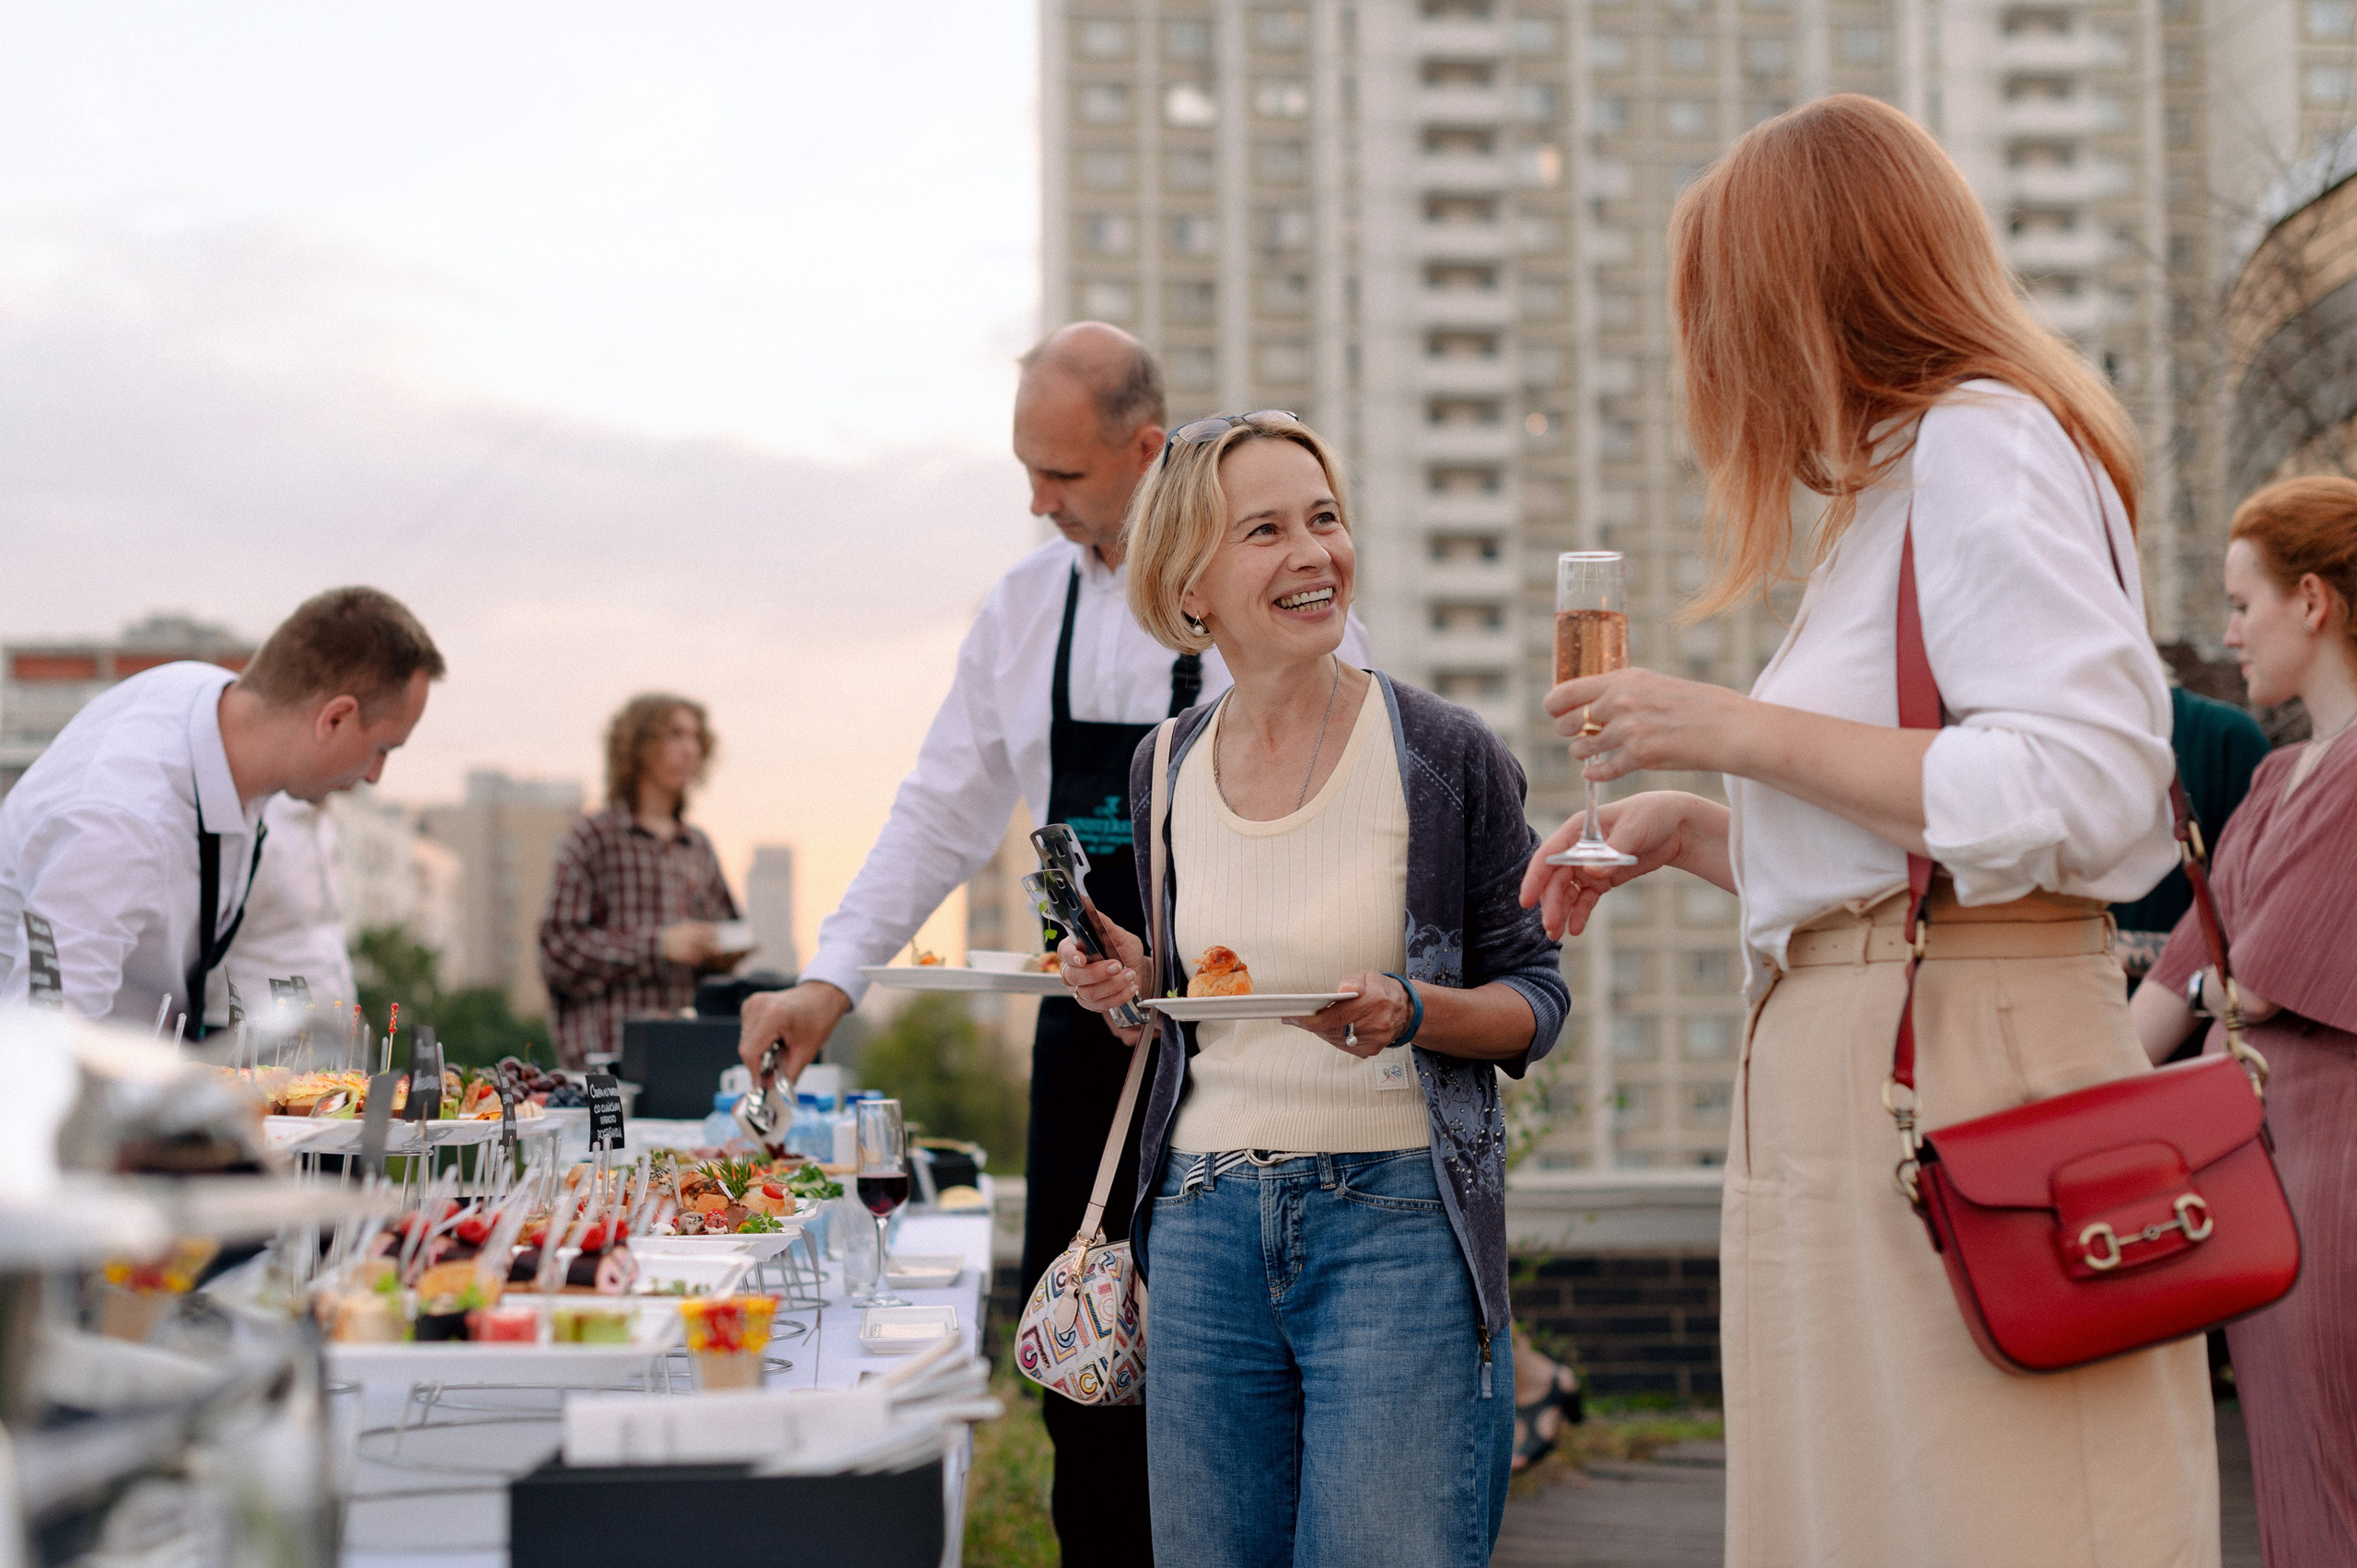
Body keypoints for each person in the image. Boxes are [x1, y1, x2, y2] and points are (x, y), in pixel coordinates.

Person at [1517, 97, 2218, 1565]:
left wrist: (1727, 725)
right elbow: (1912, 837)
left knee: (1994, 1510)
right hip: (1885, 1056)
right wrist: (1709, 830)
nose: (1709, 359)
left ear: (1799, 296)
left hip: (1957, 1058)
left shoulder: (1984, 442)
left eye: (1722, 311)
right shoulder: (1903, 486)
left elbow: (2092, 779)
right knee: (1886, 1514)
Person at [736, 324, 1368, 1564]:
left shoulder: (1279, 593)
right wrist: (830, 978)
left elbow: (1353, 806)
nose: (1035, 499)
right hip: (1086, 1045)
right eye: (1027, 470)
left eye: (1061, 475)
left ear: (1147, 451)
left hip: (1248, 1054)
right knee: (1086, 1378)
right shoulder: (1026, 607)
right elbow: (938, 809)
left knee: (1240, 1378)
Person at [1057, 410, 1567, 1567]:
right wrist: (1127, 977)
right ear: (1192, 586)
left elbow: (1536, 995)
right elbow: (1192, 997)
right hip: (1198, 1225)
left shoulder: (1444, 754)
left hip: (1395, 1223)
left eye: (1325, 519)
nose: (1312, 554)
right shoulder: (1164, 764)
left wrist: (1413, 1009)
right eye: (1266, 531)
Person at [2134, 474, 2357, 1564]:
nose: (2226, 632)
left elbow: (2243, 981)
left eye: (2242, 602)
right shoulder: (2273, 777)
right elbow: (2176, 983)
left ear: (2311, 601)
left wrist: (2205, 989)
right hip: (2264, 1176)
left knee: (2325, 1467)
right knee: (2295, 1465)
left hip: (2328, 1177)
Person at [0, 587, 441, 1033]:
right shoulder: (122, 822)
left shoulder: (219, 712)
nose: (374, 776)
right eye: (383, 748)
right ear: (335, 719)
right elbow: (43, 1040)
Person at [539, 693, 741, 1069]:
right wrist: (658, 945)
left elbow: (729, 935)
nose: (689, 749)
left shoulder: (698, 847)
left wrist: (723, 948)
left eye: (696, 737)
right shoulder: (591, 839)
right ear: (637, 746)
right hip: (609, 1060)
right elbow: (558, 953)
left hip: (688, 1056)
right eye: (675, 735)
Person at [2109, 683, 2269, 988]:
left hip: (2177, 1022)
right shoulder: (2006, 750)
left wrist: (2086, 952)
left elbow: (2260, 951)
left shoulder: (2223, 739)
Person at [221, 795, 361, 1021]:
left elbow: (327, 936)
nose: (372, 776)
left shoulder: (327, 823)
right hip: (252, 1032)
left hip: (320, 1032)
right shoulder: (264, 820)